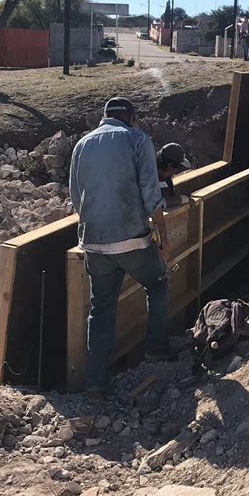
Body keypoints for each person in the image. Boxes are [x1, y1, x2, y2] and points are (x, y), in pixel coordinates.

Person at [69, 97, 173, 402]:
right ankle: (156, 350)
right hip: (131, 238)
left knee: (100, 309)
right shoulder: (137, 139)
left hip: (93, 242)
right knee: (157, 284)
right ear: (131, 117)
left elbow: (76, 197)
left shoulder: (81, 145)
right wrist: (163, 237)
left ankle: (95, 385)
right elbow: (151, 192)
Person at [156, 143, 191, 207]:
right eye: (178, 167)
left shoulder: (167, 179)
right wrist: (182, 199)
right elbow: (157, 205)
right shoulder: (149, 179)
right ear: (170, 165)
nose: (177, 171)